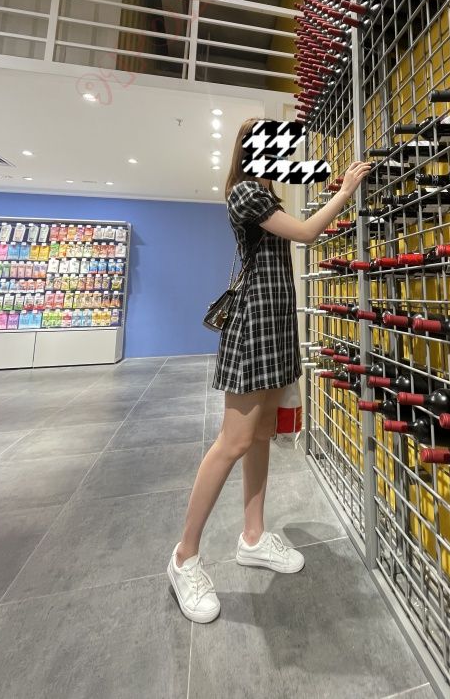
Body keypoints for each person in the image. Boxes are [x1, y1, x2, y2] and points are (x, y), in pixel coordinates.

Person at [168, 116, 372, 623]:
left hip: (277, 328)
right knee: (232, 442)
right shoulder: (245, 194)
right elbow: (306, 233)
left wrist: (330, 175)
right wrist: (345, 190)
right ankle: (184, 557)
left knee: (259, 437)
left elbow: (305, 181)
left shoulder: (266, 193)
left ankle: (254, 537)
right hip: (254, 329)